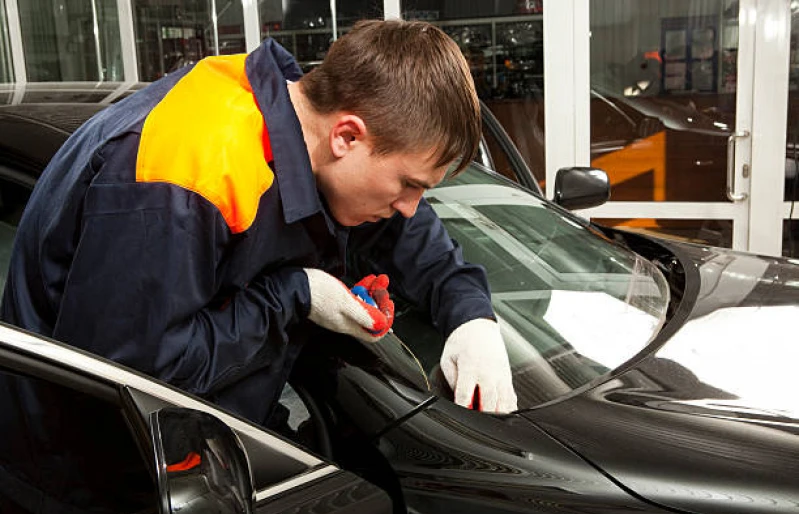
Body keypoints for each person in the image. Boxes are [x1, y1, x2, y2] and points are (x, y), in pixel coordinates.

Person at [0, 20, 517, 428]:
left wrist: (472, 319)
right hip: (101, 483)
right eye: (409, 184)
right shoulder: (186, 174)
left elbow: (412, 239)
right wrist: (294, 294)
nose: (411, 205)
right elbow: (134, 377)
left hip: (223, 433)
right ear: (347, 137)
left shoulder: (310, 132)